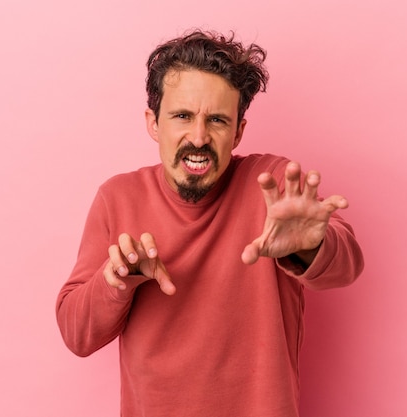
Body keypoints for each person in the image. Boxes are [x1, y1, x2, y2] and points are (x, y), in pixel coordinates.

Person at [56, 29, 364, 417]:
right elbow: (76, 334)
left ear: (238, 131)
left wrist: (309, 246)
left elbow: (346, 265)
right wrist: (114, 280)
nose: (199, 137)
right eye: (182, 116)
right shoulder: (117, 198)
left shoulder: (272, 185)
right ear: (153, 122)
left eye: (217, 120)